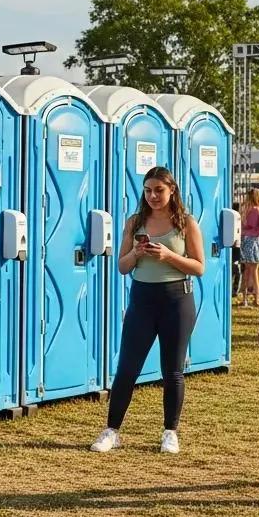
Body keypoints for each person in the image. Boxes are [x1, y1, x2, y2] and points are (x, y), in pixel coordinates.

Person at [91, 166, 205, 455]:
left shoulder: (186, 223)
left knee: (172, 371)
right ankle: (112, 431)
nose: (153, 196)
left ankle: (170, 432)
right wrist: (136, 253)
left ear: (172, 191)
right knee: (127, 368)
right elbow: (122, 267)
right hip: (142, 299)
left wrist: (168, 255)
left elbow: (199, 267)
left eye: (159, 190)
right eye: (148, 190)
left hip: (177, 299)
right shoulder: (135, 222)